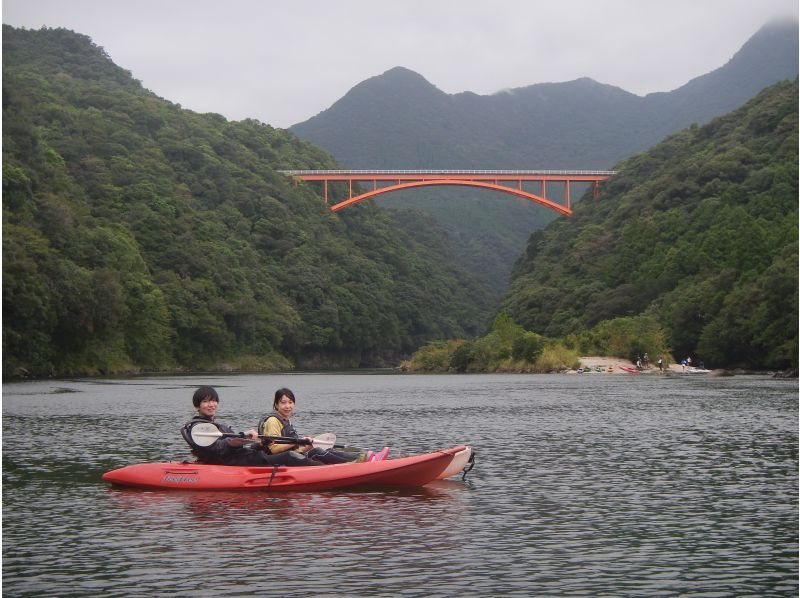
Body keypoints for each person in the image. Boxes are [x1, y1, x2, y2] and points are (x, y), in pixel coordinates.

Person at [181, 386, 322, 466]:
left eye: (213, 401)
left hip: (241, 458)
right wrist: (238, 440)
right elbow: (218, 449)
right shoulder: (198, 427)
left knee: (266, 450)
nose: (211, 405)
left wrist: (261, 444)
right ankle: (325, 471)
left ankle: (329, 467)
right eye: (206, 402)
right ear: (197, 406)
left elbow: (237, 446)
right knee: (289, 456)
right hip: (230, 464)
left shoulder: (219, 425)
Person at [259, 388, 389, 463]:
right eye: (283, 403)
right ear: (276, 404)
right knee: (318, 452)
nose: (288, 406)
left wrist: (305, 446)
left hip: (292, 456)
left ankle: (367, 456)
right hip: (278, 462)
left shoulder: (286, 421)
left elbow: (293, 449)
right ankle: (359, 462)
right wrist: (296, 442)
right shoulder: (272, 421)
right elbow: (273, 449)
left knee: (327, 450)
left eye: (291, 402)